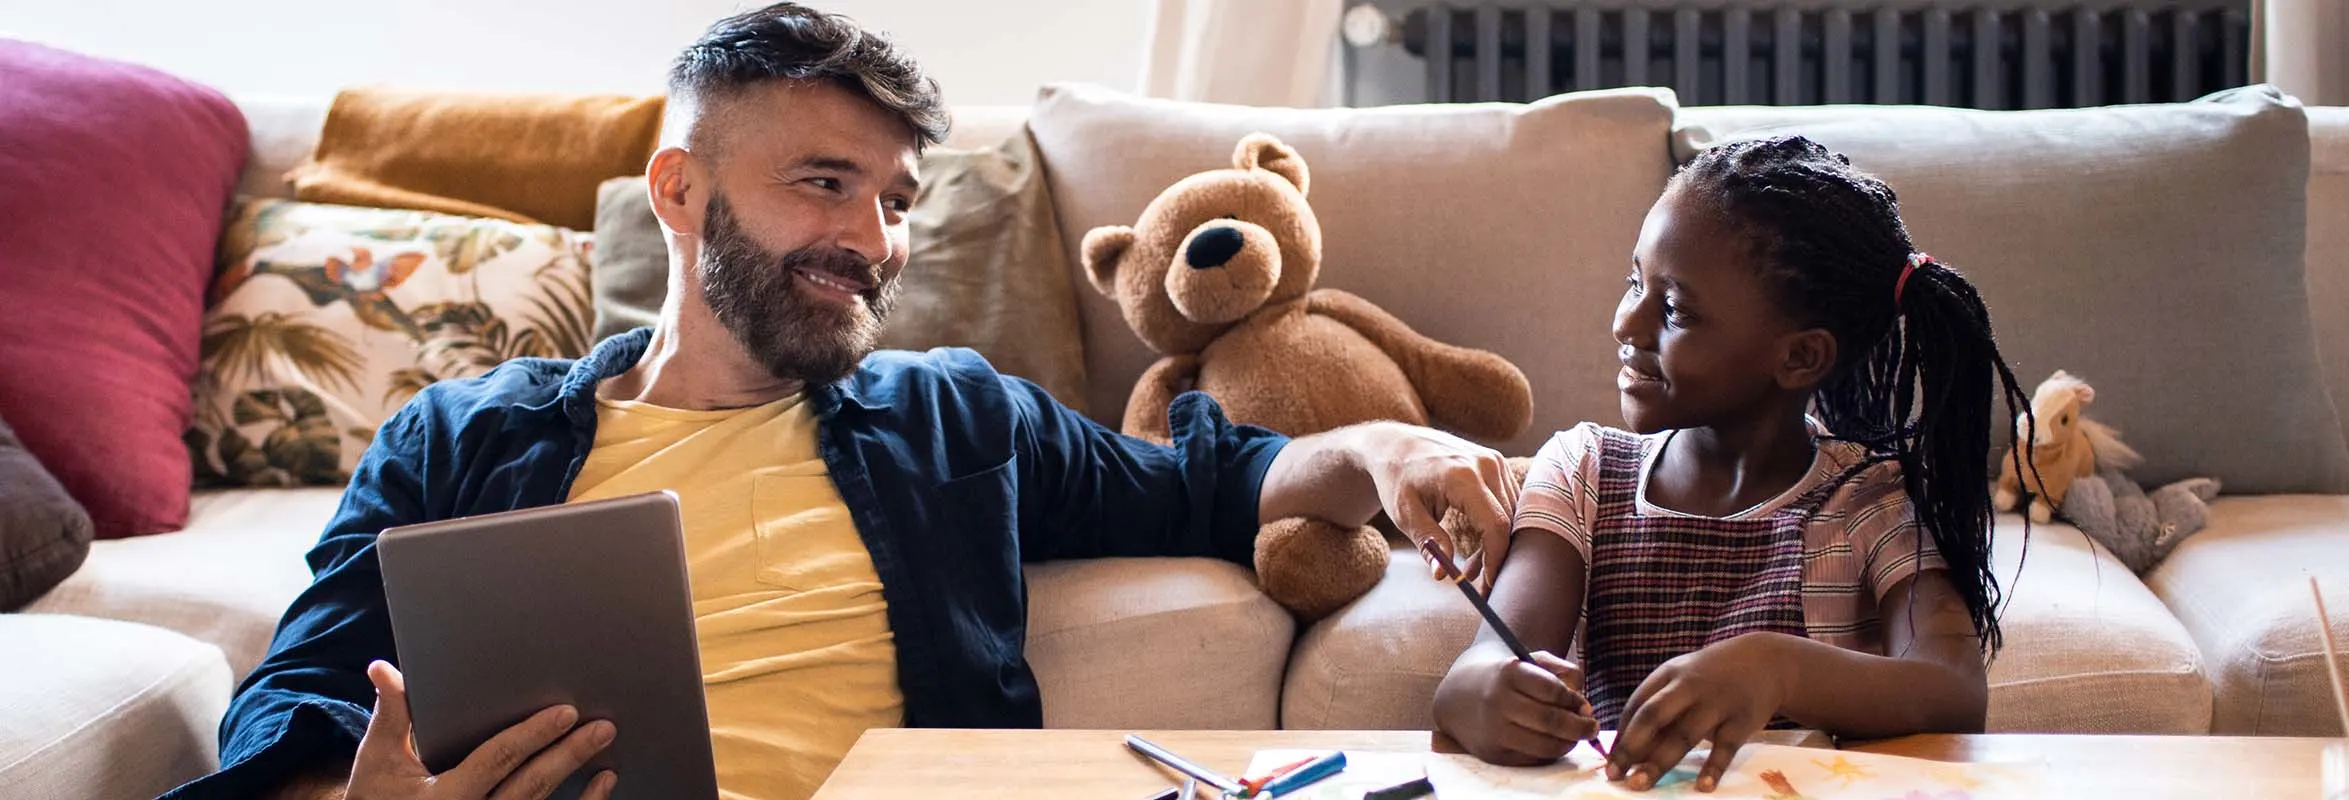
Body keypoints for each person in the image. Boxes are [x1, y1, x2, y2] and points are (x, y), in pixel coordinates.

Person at [162, 6, 1517, 799]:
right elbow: (295, 692)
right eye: (823, 182)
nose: (874, 238)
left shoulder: (954, 415)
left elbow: (1217, 484)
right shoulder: (461, 440)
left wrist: (1393, 446)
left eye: (896, 200)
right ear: (679, 191)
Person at [1428, 135, 2032, 793]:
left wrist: (1777, 669)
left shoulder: (1868, 499)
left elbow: (1953, 689)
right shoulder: (1583, 474)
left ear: (1800, 357)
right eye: (1635, 282)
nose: (1627, 323)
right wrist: (1484, 694)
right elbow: (1480, 666)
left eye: (1675, 309)